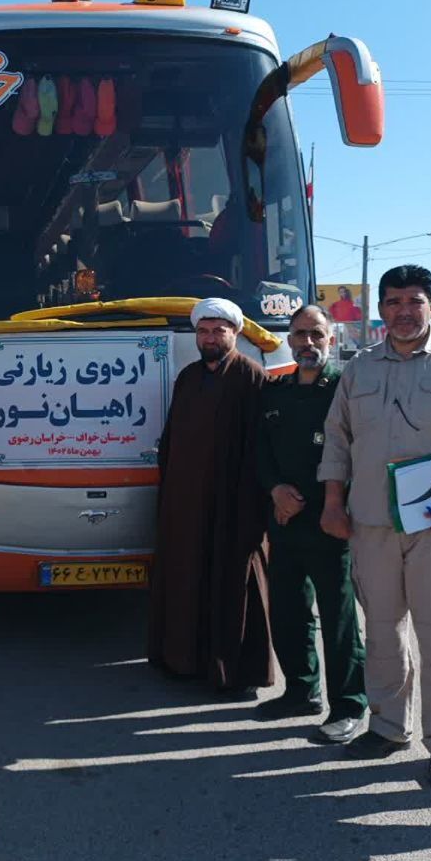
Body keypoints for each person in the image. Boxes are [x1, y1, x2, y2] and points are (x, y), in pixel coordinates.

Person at [318, 264, 431, 787]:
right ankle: (387, 727)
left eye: (414, 301)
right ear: (382, 309)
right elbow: (338, 437)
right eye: (394, 301)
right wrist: (333, 502)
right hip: (371, 525)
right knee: (381, 634)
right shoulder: (359, 368)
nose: (404, 311)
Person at [149, 297, 274, 694]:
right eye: (203, 331)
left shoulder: (252, 376)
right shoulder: (188, 377)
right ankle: (183, 662)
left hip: (233, 506)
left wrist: (254, 506)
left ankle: (236, 673)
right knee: (186, 578)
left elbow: (262, 447)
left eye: (218, 330)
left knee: (233, 582)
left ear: (235, 333)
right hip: (186, 505)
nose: (209, 337)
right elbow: (172, 441)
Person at [255, 305, 367, 742]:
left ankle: (349, 706)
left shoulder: (345, 388)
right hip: (284, 518)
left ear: (331, 338)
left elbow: (359, 452)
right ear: (289, 339)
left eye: (316, 334)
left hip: (330, 519)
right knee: (288, 609)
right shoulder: (275, 391)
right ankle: (301, 690)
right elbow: (261, 450)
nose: (307, 343)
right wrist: (275, 490)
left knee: (338, 617)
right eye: (299, 334)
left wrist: (331, 504)